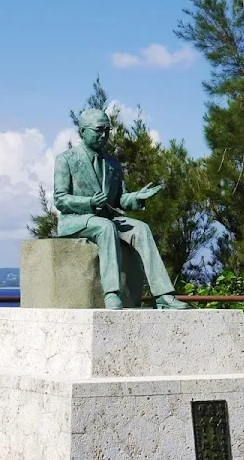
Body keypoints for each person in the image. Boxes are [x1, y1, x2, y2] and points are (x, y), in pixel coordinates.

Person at [52, 108, 190, 310]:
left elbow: (120, 199)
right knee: (105, 227)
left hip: (106, 217)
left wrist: (136, 198)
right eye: (99, 130)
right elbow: (60, 199)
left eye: (107, 130)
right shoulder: (66, 159)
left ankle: (162, 295)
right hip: (76, 220)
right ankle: (112, 293)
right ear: (83, 131)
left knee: (141, 228)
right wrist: (89, 202)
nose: (104, 135)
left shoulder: (112, 163)